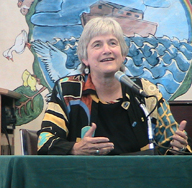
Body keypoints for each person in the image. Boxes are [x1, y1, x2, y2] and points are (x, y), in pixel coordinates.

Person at [37, 17, 191, 155]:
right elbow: (45, 143)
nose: (107, 50)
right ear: (85, 58)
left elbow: (170, 147)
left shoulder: (145, 92)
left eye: (112, 43)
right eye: (97, 45)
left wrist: (179, 147)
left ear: (123, 54)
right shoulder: (67, 90)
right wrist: (76, 149)